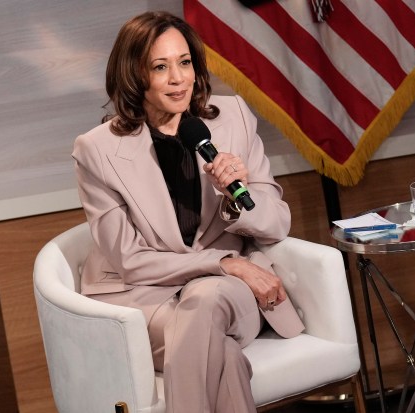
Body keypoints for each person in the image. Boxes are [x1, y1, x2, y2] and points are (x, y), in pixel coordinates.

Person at [72, 10, 304, 413]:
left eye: (184, 63)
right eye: (160, 67)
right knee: (224, 358)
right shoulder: (97, 150)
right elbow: (131, 261)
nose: (178, 78)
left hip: (229, 296)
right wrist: (225, 263)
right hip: (147, 300)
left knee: (207, 300)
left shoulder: (232, 118)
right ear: (134, 76)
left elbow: (277, 222)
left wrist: (237, 196)